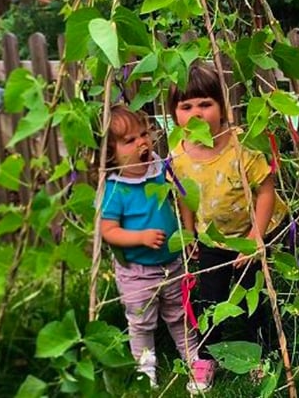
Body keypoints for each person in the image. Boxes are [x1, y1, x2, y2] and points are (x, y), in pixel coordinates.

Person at [168, 62, 288, 392]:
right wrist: (189, 231)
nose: (196, 113)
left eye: (205, 104)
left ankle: (258, 356)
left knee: (255, 298)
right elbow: (184, 195)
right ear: (174, 113)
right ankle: (206, 358)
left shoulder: (242, 146)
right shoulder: (177, 154)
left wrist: (256, 237)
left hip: (250, 235)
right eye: (186, 106)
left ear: (222, 106)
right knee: (210, 300)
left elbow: (266, 190)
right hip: (212, 239)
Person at [99, 104, 209, 392]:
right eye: (130, 140)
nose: (142, 142)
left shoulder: (159, 168)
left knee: (179, 314)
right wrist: (140, 237)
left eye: (144, 134)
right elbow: (107, 231)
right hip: (137, 271)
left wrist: (186, 232)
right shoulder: (115, 189)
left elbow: (182, 195)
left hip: (170, 262)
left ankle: (194, 357)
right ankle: (146, 367)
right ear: (111, 153)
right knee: (141, 323)